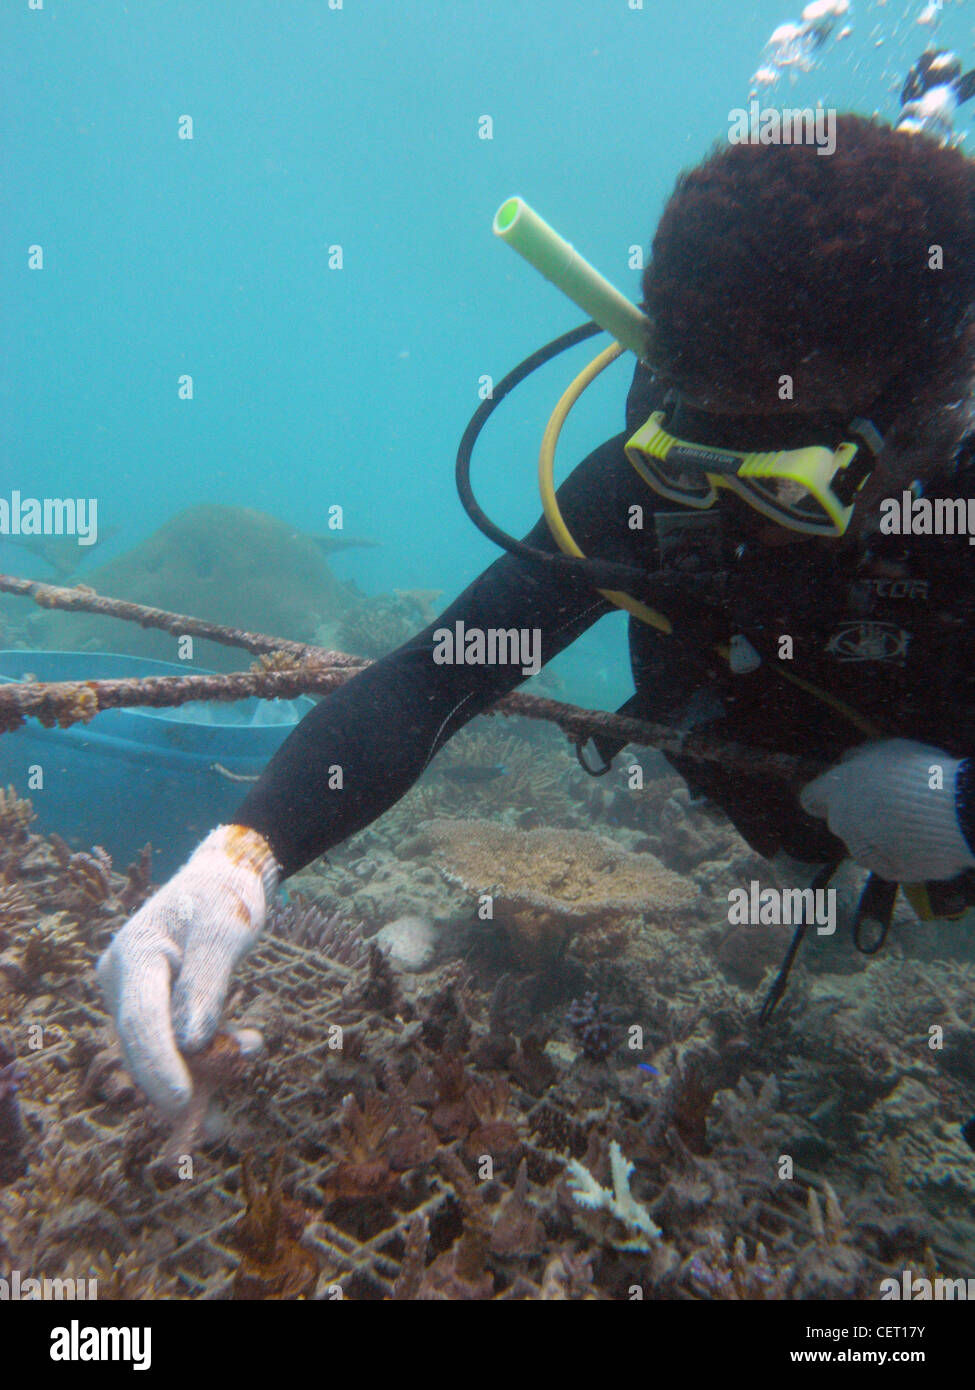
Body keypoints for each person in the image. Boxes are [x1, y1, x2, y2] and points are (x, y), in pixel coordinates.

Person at [98, 114, 975, 1118]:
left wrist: (961, 810)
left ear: (933, 411)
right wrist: (240, 857)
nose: (735, 518)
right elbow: (440, 673)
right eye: (696, 463)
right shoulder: (652, 489)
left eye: (787, 490)